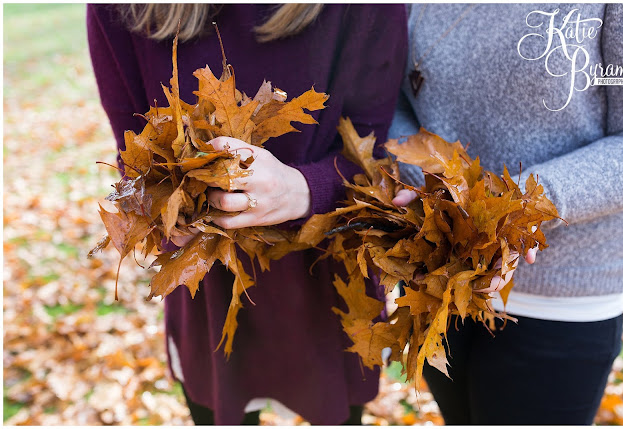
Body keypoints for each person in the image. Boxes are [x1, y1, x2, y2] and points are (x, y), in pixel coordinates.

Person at [87, 3, 407, 425]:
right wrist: (162, 207)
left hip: (327, 280)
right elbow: (134, 155)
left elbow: (374, 154)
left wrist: (304, 191)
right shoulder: (124, 9)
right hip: (207, 289)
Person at [389, 3, 623, 425]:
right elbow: (392, 100)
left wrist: (520, 203)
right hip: (436, 275)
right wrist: (431, 184)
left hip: (559, 298)